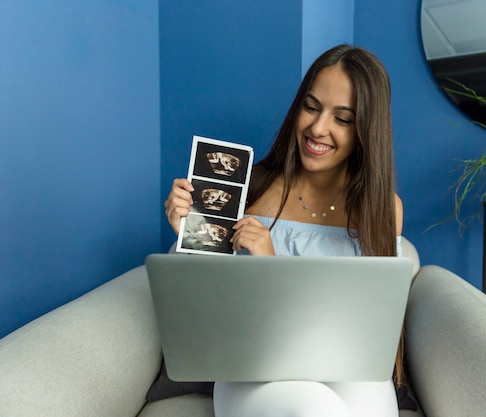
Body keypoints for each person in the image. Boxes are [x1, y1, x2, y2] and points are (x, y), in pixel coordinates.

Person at [164, 44, 405, 417]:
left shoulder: (381, 209)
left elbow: (374, 326)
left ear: (366, 130)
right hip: (252, 371)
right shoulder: (249, 189)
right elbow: (196, 308)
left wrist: (270, 261)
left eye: (342, 118)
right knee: (313, 407)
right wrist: (186, 234)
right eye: (311, 107)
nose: (317, 128)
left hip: (350, 373)